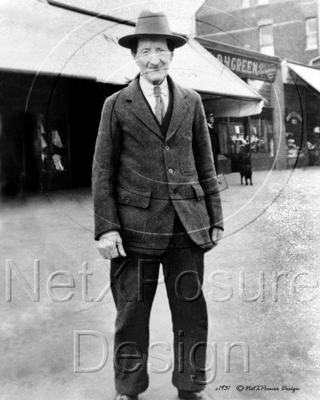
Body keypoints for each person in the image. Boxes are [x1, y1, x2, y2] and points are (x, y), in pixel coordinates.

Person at [92, 10, 223, 400]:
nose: (154, 59)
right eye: (146, 51)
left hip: (187, 226)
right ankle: (128, 389)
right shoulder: (116, 104)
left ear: (172, 55)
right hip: (133, 231)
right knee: (131, 316)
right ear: (134, 56)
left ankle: (191, 386)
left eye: (161, 51)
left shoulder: (192, 101)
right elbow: (102, 169)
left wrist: (215, 217)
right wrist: (106, 227)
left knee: (191, 315)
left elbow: (206, 160)